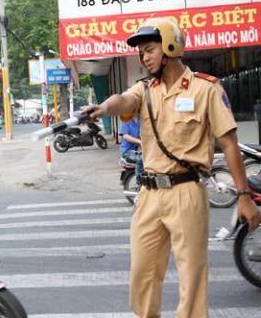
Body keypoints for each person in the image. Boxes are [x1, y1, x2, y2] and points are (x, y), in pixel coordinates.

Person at [83, 18, 260, 318]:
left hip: (186, 192)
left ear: (170, 46)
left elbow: (229, 144)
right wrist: (103, 107)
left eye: (149, 49)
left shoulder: (206, 89)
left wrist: (243, 195)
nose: (144, 57)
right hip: (149, 194)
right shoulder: (145, 90)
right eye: (141, 53)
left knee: (191, 276)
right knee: (142, 274)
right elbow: (123, 99)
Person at [119, 117, 143, 185]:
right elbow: (125, 136)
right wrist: (139, 141)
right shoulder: (125, 120)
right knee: (141, 159)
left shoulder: (139, 119)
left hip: (135, 150)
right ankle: (139, 182)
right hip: (127, 152)